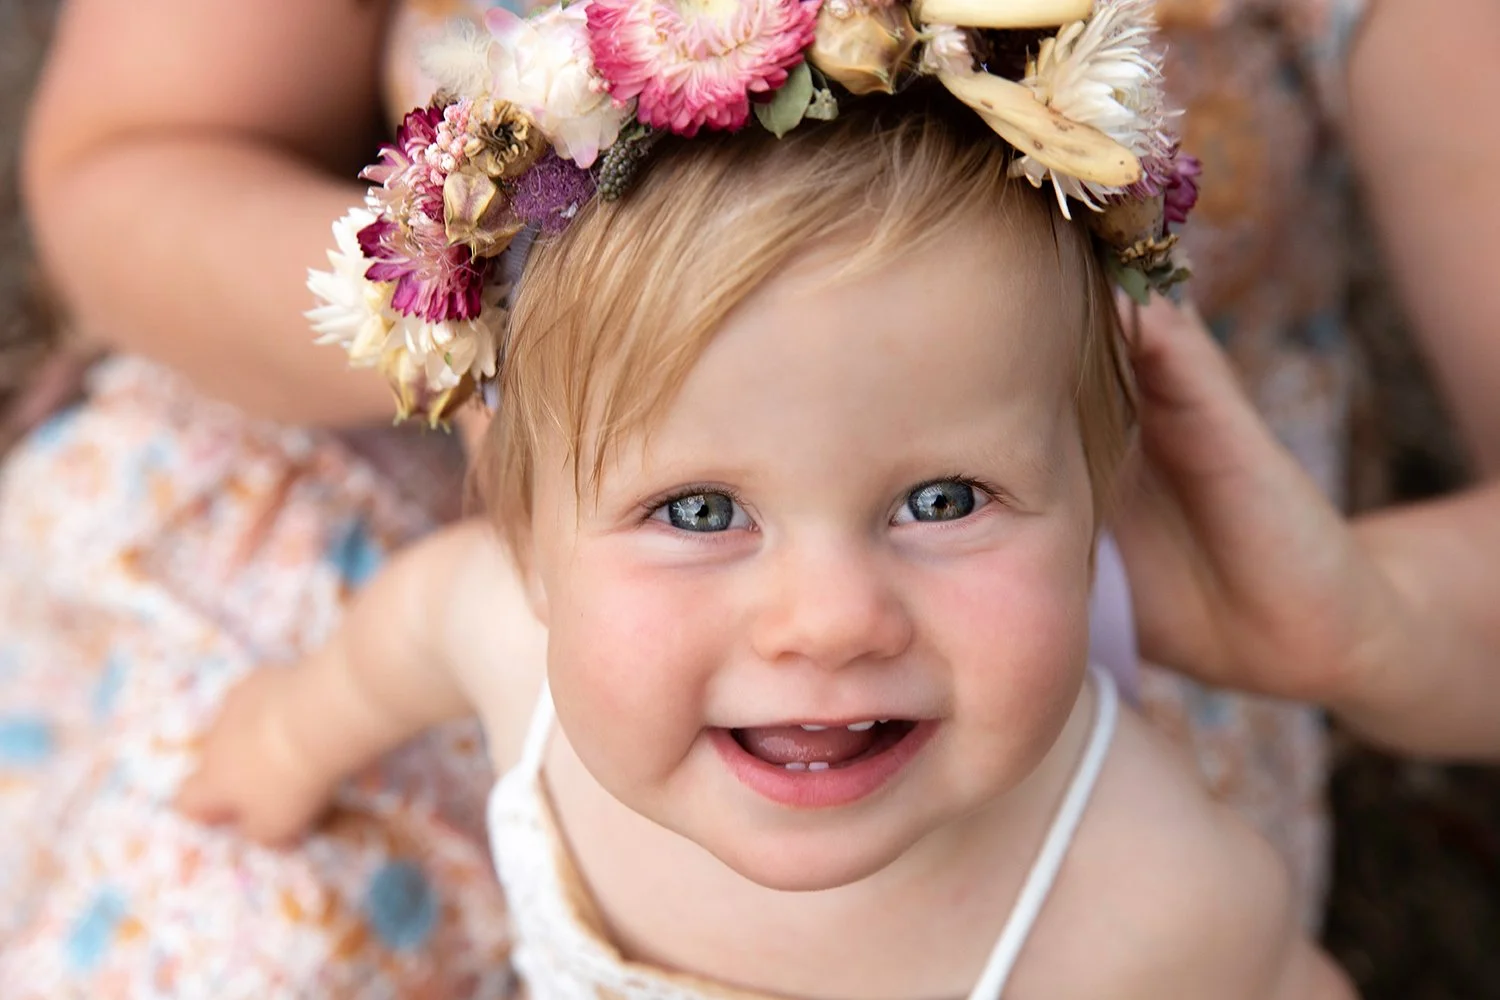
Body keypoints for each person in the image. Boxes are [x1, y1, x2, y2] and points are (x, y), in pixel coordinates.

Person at [175, 28, 1353, 986]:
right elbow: (407, 637)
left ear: (1102, 499)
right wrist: (291, 734)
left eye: (941, 500)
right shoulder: (510, 639)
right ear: (531, 541)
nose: (830, 621)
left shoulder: (1148, 907)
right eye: (697, 512)